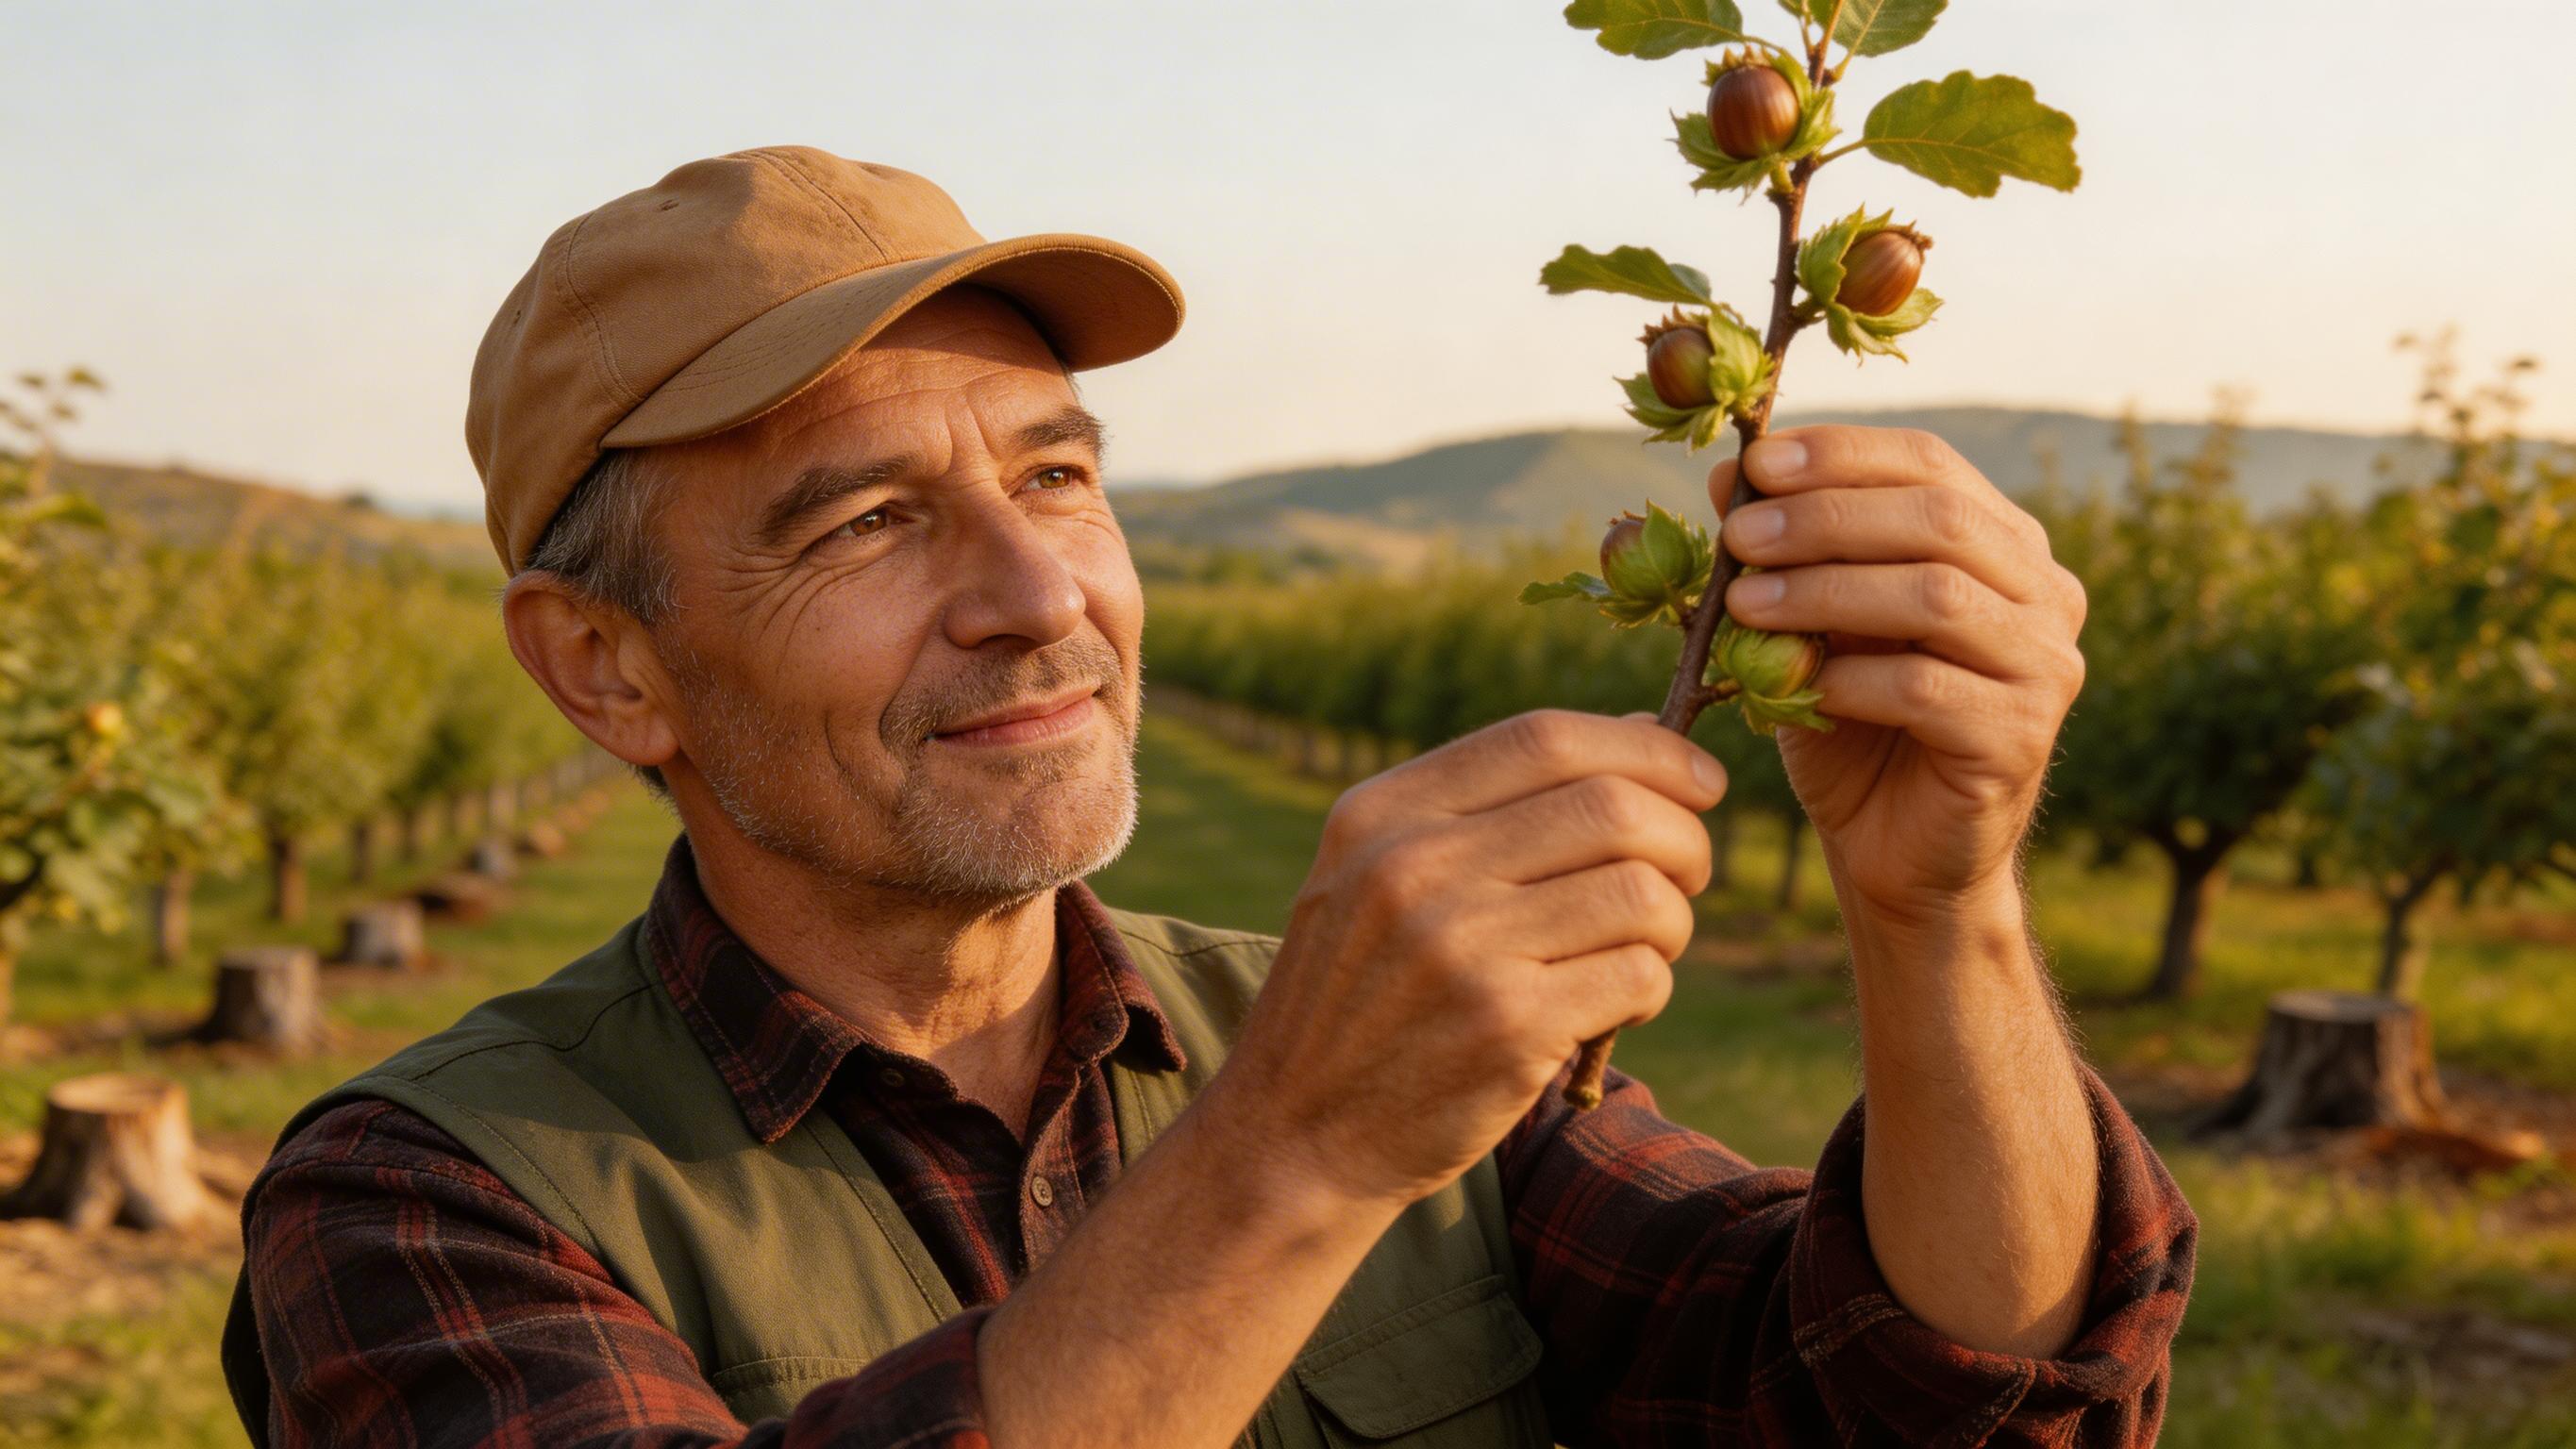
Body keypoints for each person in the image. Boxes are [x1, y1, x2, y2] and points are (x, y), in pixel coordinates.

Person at [223, 144, 2193, 1448]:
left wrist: (1941, 915)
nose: (1037, 597)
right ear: (605, 666)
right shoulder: (429, 1198)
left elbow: (1946, 1400)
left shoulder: (1402, 1056)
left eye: (1059, 476)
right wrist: (1294, 1161)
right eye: (874, 522)